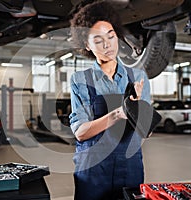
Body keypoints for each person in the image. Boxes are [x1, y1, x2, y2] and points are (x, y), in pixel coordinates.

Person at [69, 1, 151, 200]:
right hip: (93, 170)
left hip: (130, 166)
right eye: (98, 40)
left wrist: (137, 108)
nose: (107, 45)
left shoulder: (138, 77)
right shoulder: (81, 80)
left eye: (111, 36)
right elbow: (81, 132)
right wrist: (120, 113)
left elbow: (147, 131)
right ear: (87, 45)